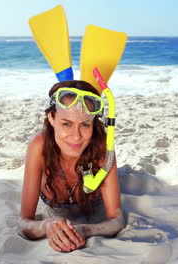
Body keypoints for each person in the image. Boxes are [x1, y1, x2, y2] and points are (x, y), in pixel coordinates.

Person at [19, 80, 124, 252]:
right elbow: (24, 221)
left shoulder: (103, 150)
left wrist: (85, 230)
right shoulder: (39, 146)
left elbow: (117, 220)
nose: (76, 138)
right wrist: (47, 225)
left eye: (85, 124)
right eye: (66, 124)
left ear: (93, 123)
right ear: (51, 118)